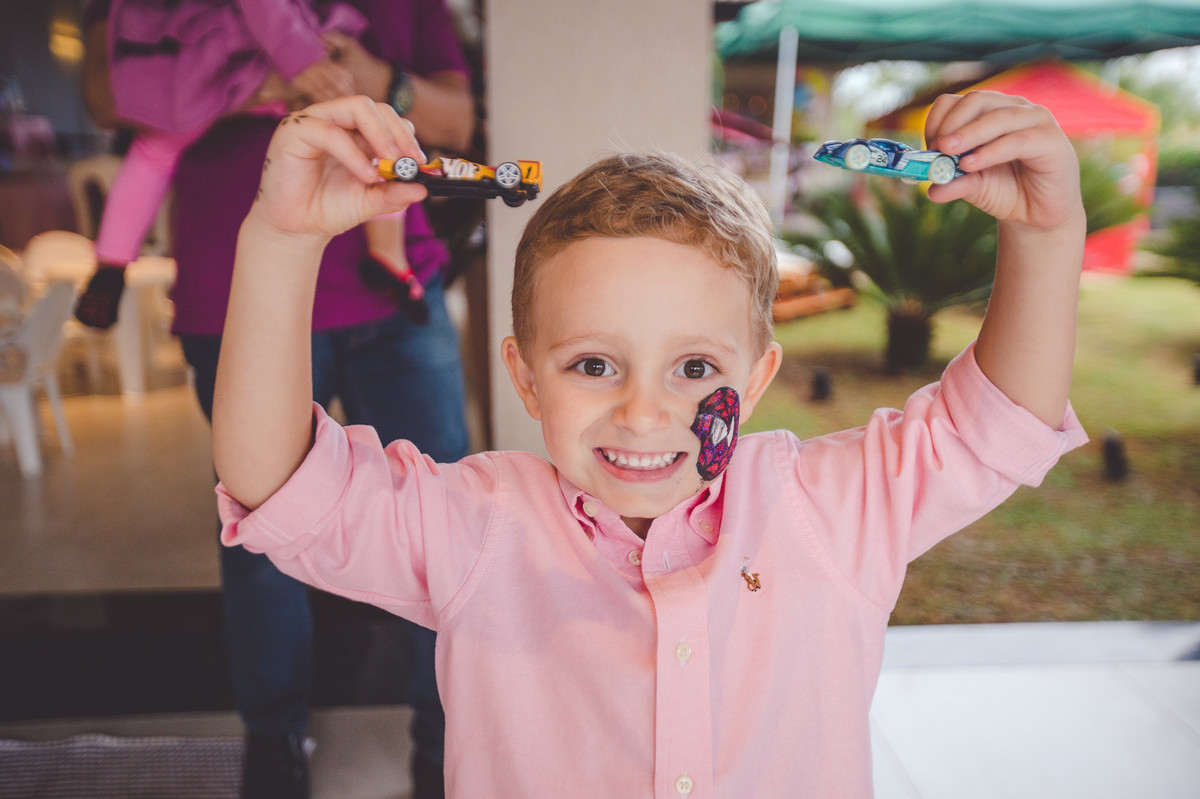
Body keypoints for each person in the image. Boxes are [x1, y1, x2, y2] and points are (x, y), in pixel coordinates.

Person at [213, 93, 1088, 796]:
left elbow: (994, 426)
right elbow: (281, 483)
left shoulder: (825, 510)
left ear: (754, 379)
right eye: (594, 363)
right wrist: (283, 241)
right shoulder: (476, 527)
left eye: (694, 367)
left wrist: (1046, 235)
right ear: (524, 376)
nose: (642, 412)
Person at [80, 3, 474, 797]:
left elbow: (458, 121)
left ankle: (451, 745)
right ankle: (275, 742)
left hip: (394, 299)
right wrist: (246, 79)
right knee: (259, 539)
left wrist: (374, 79)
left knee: (448, 532)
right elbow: (104, 90)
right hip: (235, 301)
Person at [73, 0, 426, 330]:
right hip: (253, 54)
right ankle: (389, 256)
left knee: (153, 154)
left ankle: (110, 267)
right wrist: (302, 60)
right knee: (365, 133)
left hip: (215, 67)